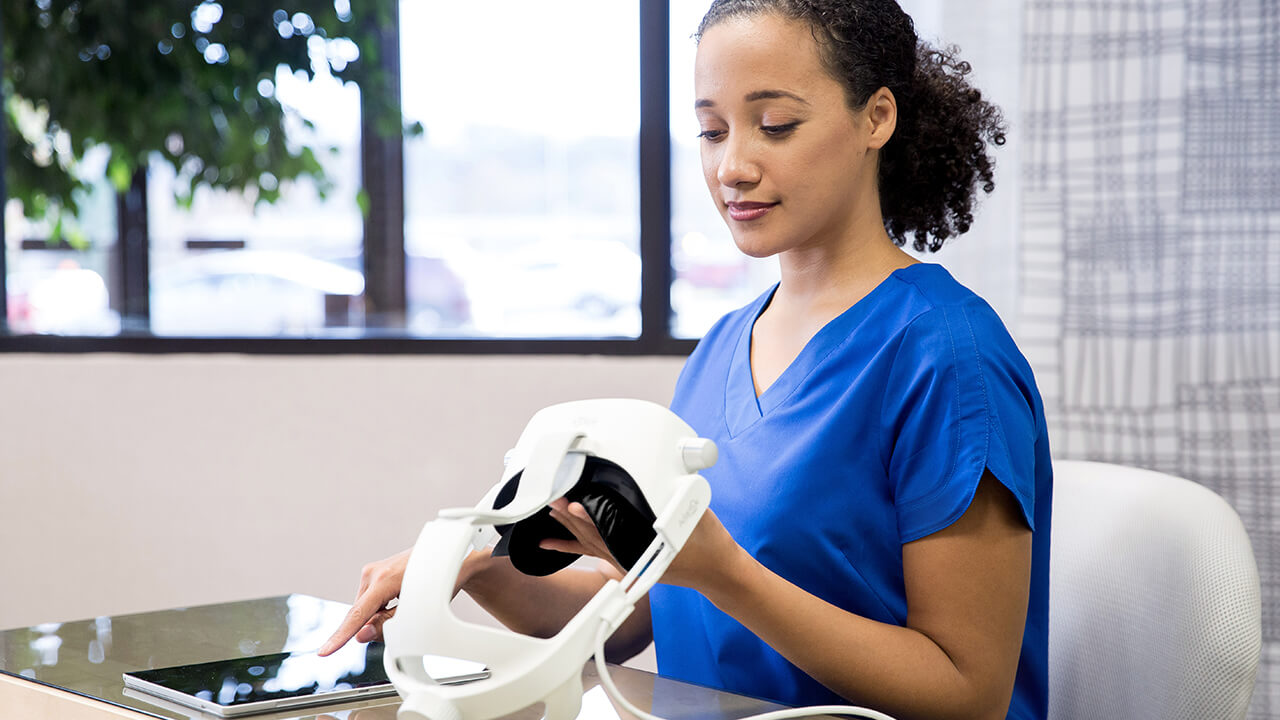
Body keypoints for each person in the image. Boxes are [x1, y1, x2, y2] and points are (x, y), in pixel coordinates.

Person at [321, 1, 1051, 719]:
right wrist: (469, 566)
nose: (732, 166)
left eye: (776, 126)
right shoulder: (723, 349)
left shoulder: (950, 357)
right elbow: (638, 609)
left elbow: (968, 693)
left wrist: (726, 574)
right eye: (711, 131)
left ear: (876, 119)